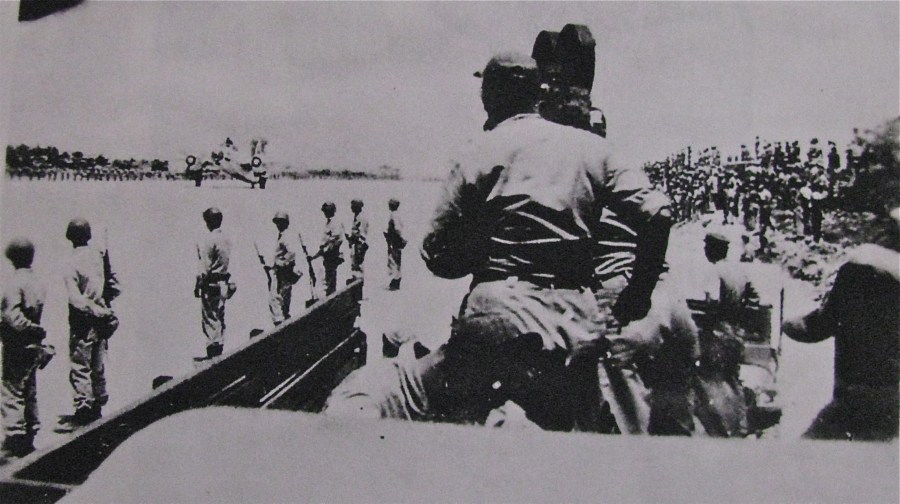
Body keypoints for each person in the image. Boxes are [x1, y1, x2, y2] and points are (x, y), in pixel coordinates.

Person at [327, 53, 671, 430]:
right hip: (576, 320)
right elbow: (657, 214)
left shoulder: (478, 151)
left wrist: (482, 245)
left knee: (424, 402)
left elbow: (437, 255)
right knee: (576, 428)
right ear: (538, 94)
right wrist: (637, 295)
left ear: (488, 96)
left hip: (497, 314)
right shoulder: (592, 148)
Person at [783, 211, 899, 440]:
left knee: (810, 453)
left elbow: (819, 326)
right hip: (891, 398)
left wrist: (788, 324)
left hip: (852, 391)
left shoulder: (860, 267)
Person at [56, 219, 119, 432]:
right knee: (97, 364)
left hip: (83, 321)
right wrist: (103, 308)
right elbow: (115, 286)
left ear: (70, 237)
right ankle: (98, 405)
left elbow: (75, 299)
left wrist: (92, 309)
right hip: (102, 320)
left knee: (80, 367)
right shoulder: (98, 256)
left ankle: (84, 411)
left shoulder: (70, 262)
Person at [1, 238, 49, 457]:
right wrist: (37, 330)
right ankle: (30, 431)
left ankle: (15, 437)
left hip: (17, 343)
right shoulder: (37, 282)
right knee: (29, 389)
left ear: (12, 258)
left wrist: (29, 328)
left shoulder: (13, 283)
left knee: (12, 390)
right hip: (33, 344)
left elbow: (12, 316)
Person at [195, 208, 234, 360]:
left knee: (210, 319)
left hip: (211, 285)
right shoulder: (226, 239)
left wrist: (198, 285)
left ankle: (213, 354)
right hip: (223, 283)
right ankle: (219, 352)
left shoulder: (209, 240)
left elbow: (204, 268)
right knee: (220, 317)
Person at [263, 211, 301, 325]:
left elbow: (291, 253)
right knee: (284, 296)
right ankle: (285, 318)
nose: (278, 225)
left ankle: (279, 321)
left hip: (282, 272)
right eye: (277, 222)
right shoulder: (283, 236)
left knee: (275, 297)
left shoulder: (285, 237)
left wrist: (281, 263)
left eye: (280, 222)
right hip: (284, 271)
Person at [309, 202, 343, 296]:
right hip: (327, 256)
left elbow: (336, 240)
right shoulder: (329, 223)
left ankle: (331, 298)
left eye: (327, 211)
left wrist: (323, 251)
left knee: (330, 280)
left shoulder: (335, 223)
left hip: (332, 255)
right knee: (328, 280)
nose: (325, 213)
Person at [384, 198, 406, 291]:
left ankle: (395, 280)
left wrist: (398, 237)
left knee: (394, 260)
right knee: (396, 259)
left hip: (394, 241)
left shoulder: (394, 215)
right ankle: (396, 280)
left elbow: (397, 229)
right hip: (395, 240)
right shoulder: (397, 215)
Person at [346, 199, 369, 283]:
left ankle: (358, 282)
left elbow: (361, 233)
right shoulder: (357, 216)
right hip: (356, 243)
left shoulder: (361, 218)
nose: (351, 208)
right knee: (355, 264)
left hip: (359, 244)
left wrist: (351, 237)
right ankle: (356, 281)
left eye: (353, 206)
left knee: (358, 264)